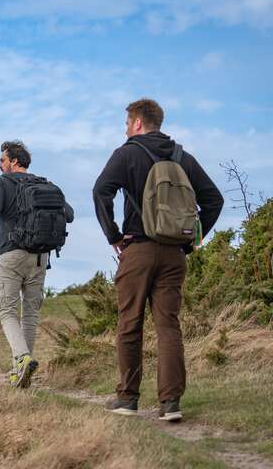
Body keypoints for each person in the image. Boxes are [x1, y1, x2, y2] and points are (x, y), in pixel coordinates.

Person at [93, 99, 223, 421]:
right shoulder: (183, 157)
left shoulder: (126, 153)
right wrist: (193, 241)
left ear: (137, 123)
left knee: (130, 324)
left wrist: (113, 236)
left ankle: (127, 399)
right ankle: (170, 404)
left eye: (126, 123)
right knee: (169, 326)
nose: (125, 129)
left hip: (137, 249)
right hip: (174, 254)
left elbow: (101, 192)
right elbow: (214, 200)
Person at [0, 140, 74, 388]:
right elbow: (70, 214)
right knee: (31, 313)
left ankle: (22, 359)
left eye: (2, 160)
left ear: (14, 161)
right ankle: (21, 370)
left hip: (11, 254)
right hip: (39, 257)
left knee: (7, 310)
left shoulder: (1, 182)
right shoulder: (47, 185)